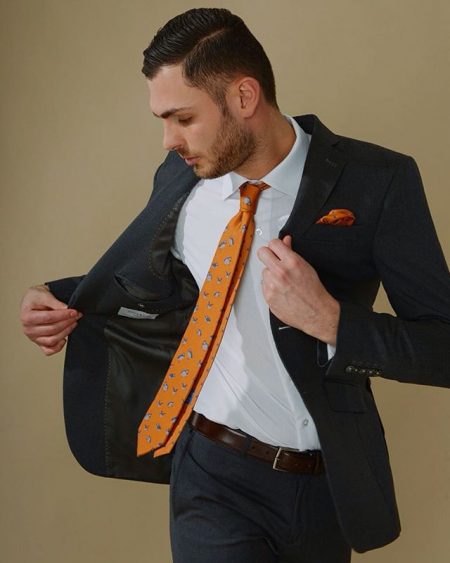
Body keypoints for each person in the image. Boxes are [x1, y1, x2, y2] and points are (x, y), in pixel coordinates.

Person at [20, 8, 450, 563]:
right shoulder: (183, 175)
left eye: (183, 118)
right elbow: (170, 279)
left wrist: (332, 322)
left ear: (244, 97)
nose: (168, 140)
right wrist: (60, 296)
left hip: (324, 488)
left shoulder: (378, 182)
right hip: (210, 474)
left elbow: (443, 346)